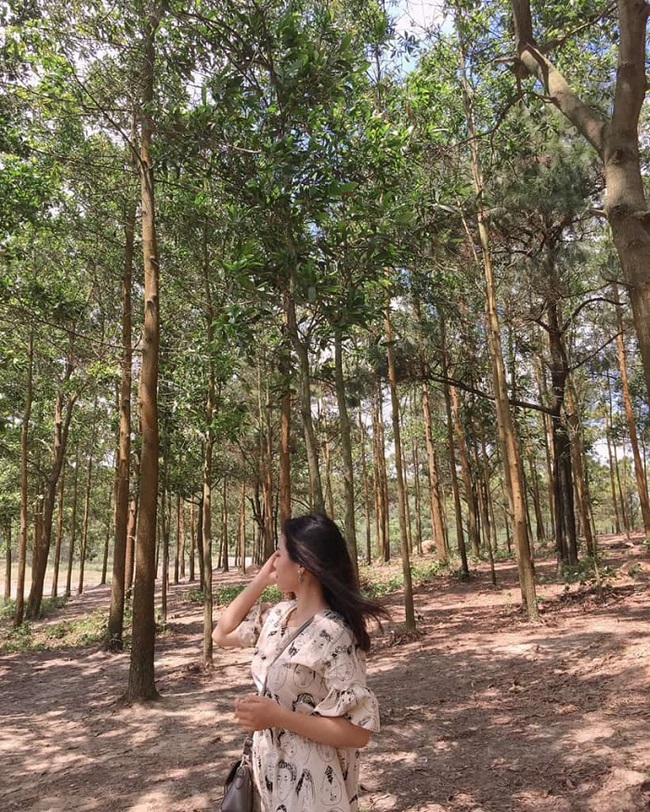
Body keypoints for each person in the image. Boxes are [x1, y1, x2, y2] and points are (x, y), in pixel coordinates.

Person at [213, 513, 389, 812]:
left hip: (314, 786)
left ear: (302, 566)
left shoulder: (335, 634)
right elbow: (221, 633)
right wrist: (260, 580)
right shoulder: (277, 617)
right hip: (268, 775)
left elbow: (358, 732)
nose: (273, 563)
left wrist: (277, 716)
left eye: (278, 554)